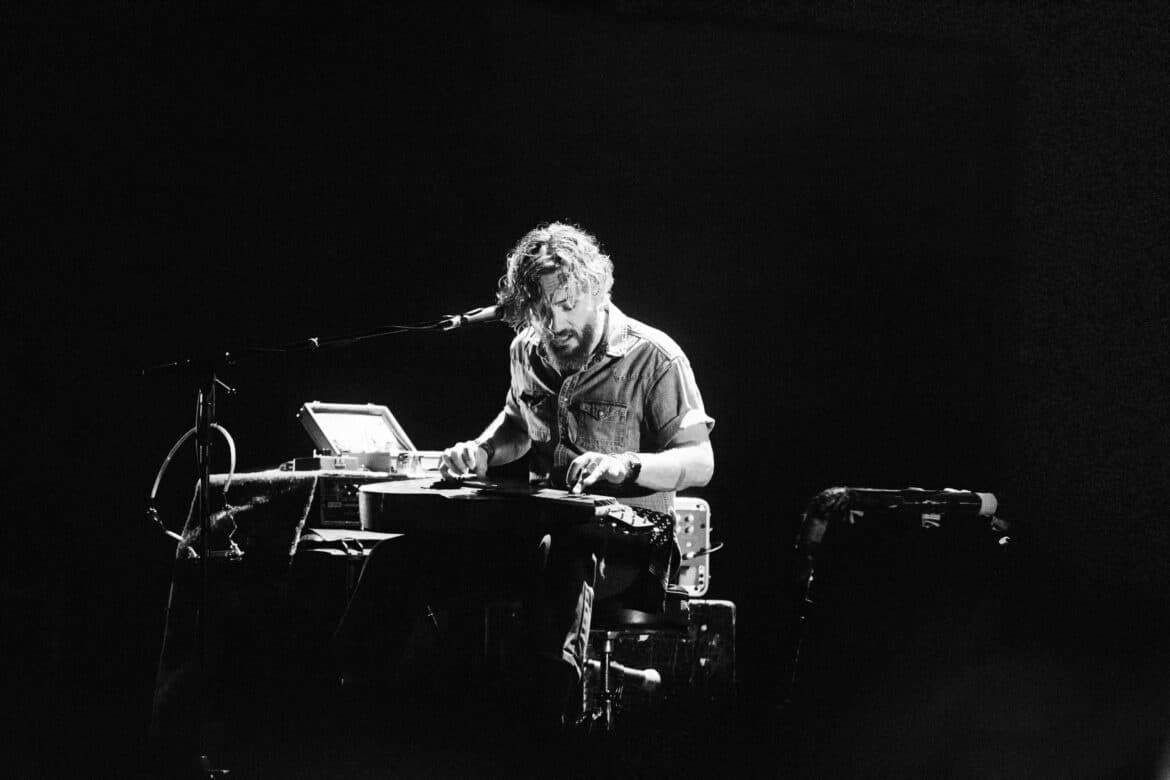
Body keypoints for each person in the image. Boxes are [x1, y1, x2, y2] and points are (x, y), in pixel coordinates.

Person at [335, 222, 714, 730]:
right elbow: (518, 424)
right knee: (399, 560)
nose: (554, 323)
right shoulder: (527, 350)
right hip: (537, 534)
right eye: (539, 310)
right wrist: (482, 451)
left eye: (567, 305)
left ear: (598, 290)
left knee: (562, 554)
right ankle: (348, 715)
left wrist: (626, 465)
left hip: (626, 550)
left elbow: (700, 460)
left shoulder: (655, 357)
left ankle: (545, 728)